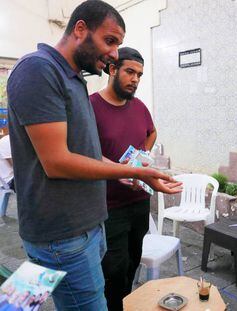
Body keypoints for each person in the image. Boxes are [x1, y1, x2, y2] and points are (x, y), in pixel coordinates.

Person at [6, 1, 181, 310]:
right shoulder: (38, 69)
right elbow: (57, 161)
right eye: (109, 41)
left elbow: (87, 155)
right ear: (80, 29)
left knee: (23, 303)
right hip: (61, 238)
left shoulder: (73, 78)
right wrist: (138, 173)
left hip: (86, 227)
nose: (114, 53)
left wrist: (140, 174)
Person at [90, 47, 156, 310]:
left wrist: (141, 157)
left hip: (139, 201)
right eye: (130, 72)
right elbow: (86, 151)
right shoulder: (91, 106)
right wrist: (122, 169)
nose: (135, 79)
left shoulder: (139, 107)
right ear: (112, 69)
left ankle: (125, 304)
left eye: (140, 74)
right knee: (113, 271)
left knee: (132, 263)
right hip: (108, 206)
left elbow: (152, 132)